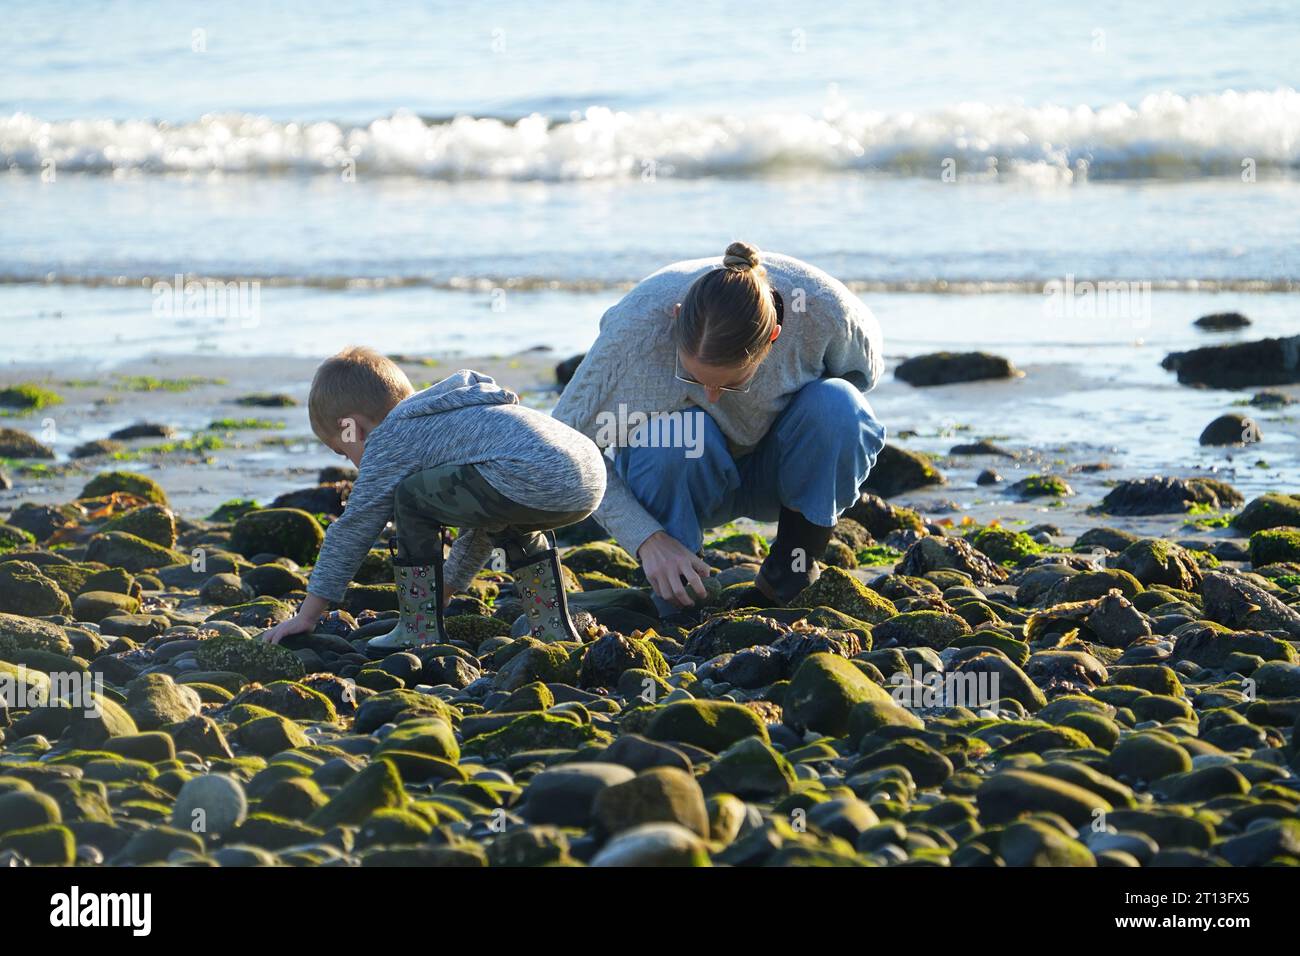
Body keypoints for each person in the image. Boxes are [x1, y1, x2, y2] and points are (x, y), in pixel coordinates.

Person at [552, 241, 885, 615]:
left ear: (773, 336)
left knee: (838, 404)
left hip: (779, 473)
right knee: (675, 433)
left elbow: (863, 383)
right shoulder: (635, 332)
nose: (712, 397)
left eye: (730, 383)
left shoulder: (825, 311)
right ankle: (680, 587)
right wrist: (647, 538)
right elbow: (562, 451)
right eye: (693, 378)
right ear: (677, 319)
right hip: (687, 476)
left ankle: (788, 573)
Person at [261, 347, 606, 649]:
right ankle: (553, 628)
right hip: (586, 474)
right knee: (505, 517)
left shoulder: (391, 436)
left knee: (409, 496)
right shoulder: (448, 418)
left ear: (353, 427)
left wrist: (307, 616)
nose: (351, 464)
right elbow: (483, 522)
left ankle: (418, 628)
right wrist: (448, 589)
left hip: (533, 473)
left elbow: (354, 528)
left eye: (343, 451)